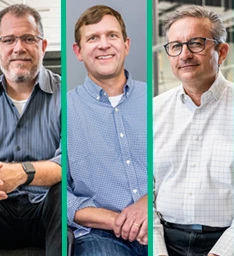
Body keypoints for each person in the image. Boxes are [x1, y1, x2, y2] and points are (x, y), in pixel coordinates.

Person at [0, 4, 61, 255]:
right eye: (8, 40)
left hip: (46, 212)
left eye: (28, 38)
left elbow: (73, 162)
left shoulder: (70, 97)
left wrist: (22, 173)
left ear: (43, 46)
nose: (18, 48)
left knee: (64, 193)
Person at [153, 5, 234, 256]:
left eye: (196, 43)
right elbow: (145, 192)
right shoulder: (152, 112)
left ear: (221, 52)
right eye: (175, 46)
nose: (184, 54)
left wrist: (223, 251)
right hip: (164, 241)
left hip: (228, 242)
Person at [67, 5, 147, 256]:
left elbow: (181, 167)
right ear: (78, 51)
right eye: (93, 38)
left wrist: (148, 203)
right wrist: (116, 220)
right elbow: (56, 193)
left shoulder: (157, 100)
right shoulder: (62, 110)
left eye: (111, 35)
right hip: (100, 234)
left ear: (126, 45)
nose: (103, 45)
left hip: (162, 222)